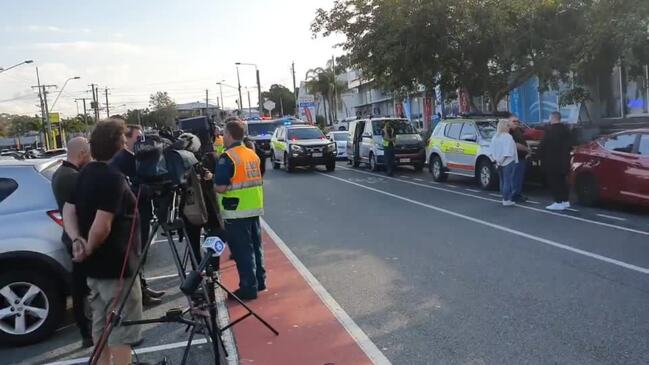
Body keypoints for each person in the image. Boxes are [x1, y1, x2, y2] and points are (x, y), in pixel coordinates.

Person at [62, 118, 143, 365]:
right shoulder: (113, 178)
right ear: (119, 145)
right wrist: (88, 246)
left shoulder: (85, 172)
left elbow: (69, 209)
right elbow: (102, 224)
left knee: (101, 325)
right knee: (121, 330)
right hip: (116, 268)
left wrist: (77, 239)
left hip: (96, 269)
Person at [111, 124, 165, 306]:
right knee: (136, 254)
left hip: (142, 211)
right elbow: (125, 187)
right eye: (138, 138)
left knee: (141, 253)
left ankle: (143, 287)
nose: (143, 142)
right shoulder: (122, 159)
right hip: (132, 214)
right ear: (127, 139)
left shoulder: (137, 158)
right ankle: (139, 292)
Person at [214, 120, 265, 300]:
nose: (223, 137)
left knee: (242, 251)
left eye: (224, 133)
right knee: (256, 247)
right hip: (253, 208)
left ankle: (248, 288)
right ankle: (259, 281)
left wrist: (210, 180)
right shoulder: (251, 154)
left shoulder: (227, 157)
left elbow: (220, 187)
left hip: (236, 210)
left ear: (229, 134)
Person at [51, 137, 93, 347]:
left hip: (71, 236)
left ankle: (86, 329)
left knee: (81, 286)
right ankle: (87, 331)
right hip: (78, 238)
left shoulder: (59, 173)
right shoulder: (72, 177)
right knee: (83, 287)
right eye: (89, 154)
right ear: (83, 154)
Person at [540, 111, 573, 211]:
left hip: (552, 161)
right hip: (565, 160)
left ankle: (558, 202)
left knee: (555, 182)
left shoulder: (549, 131)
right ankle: (565, 201)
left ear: (552, 118)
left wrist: (538, 156)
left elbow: (543, 145)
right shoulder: (566, 130)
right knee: (563, 181)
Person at [490, 119, 518, 206]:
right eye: (508, 126)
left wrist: (497, 162)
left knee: (502, 180)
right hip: (508, 161)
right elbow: (508, 152)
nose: (509, 127)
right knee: (508, 180)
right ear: (505, 127)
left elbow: (491, 151)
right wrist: (501, 161)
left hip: (498, 161)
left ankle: (504, 198)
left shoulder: (495, 137)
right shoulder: (508, 137)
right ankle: (507, 199)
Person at [509, 116, 530, 202]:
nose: (516, 123)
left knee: (519, 177)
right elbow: (515, 144)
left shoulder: (518, 130)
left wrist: (527, 150)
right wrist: (527, 149)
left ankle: (518, 193)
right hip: (515, 158)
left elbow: (523, 141)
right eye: (514, 121)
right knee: (515, 177)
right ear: (509, 122)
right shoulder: (509, 132)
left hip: (521, 157)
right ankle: (514, 195)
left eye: (517, 121)